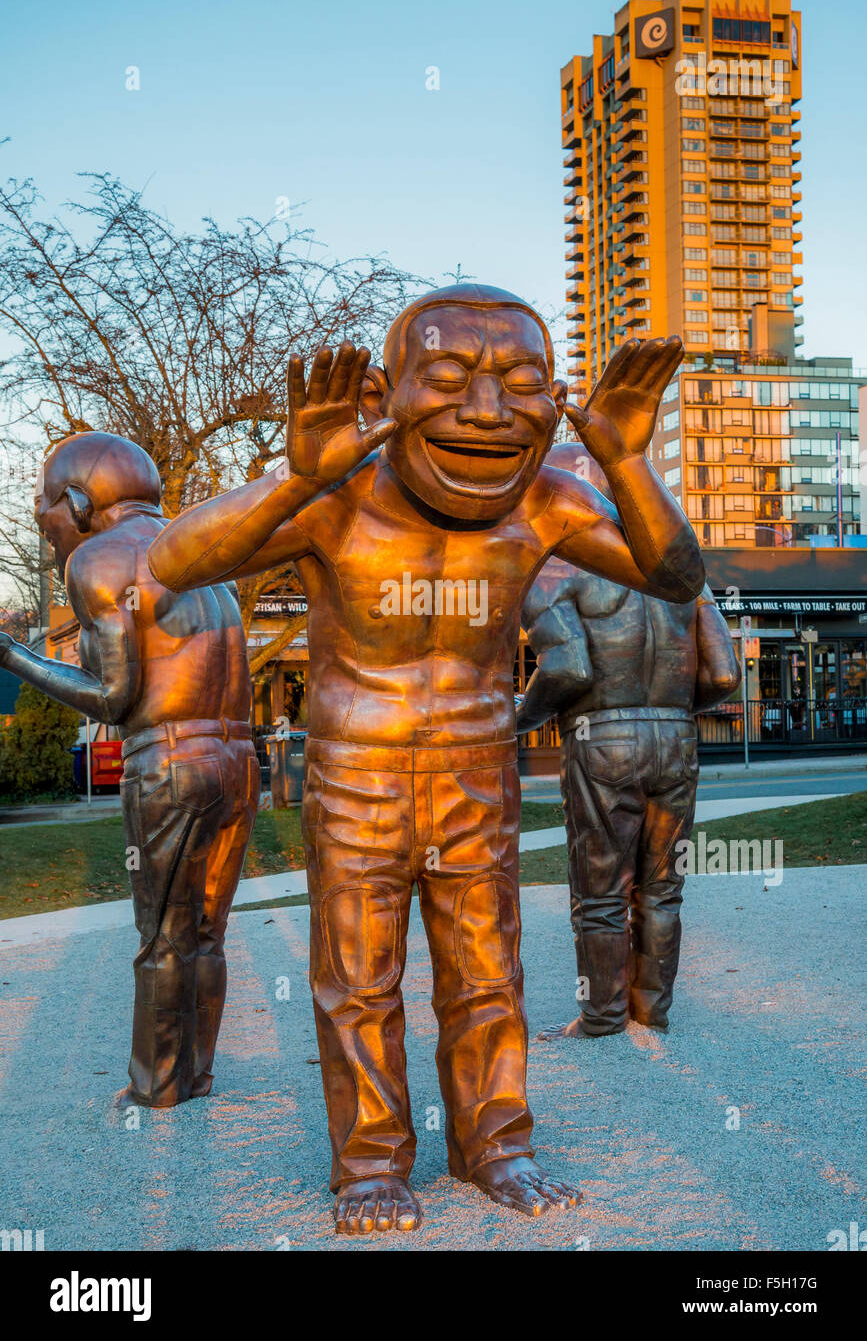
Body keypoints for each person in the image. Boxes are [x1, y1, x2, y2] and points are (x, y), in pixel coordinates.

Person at [148, 283, 705, 1233]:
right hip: (357, 772)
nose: (487, 411)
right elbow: (174, 560)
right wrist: (296, 478)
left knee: (487, 974)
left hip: (475, 771)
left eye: (523, 383)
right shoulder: (335, 499)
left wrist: (622, 456)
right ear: (384, 392)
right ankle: (369, 1164)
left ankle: (498, 1145)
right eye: (446, 379)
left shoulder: (545, 498)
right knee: (358, 980)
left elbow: (674, 574)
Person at [0, 433, 259, 1107]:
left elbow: (113, 697)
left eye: (46, 514)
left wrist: (14, 657)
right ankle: (195, 1072)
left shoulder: (101, 559)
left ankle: (156, 1087)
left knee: (163, 938)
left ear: (79, 503)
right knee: (207, 932)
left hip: (169, 763)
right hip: (238, 761)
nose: (49, 532)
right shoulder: (202, 553)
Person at [517, 443, 740, 1037]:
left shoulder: (556, 569)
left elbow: (567, 670)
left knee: (600, 891)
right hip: (678, 738)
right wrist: (666, 713)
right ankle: (652, 1010)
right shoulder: (679, 572)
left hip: (602, 736)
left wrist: (518, 719)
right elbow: (723, 675)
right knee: (663, 888)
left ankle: (603, 1015)